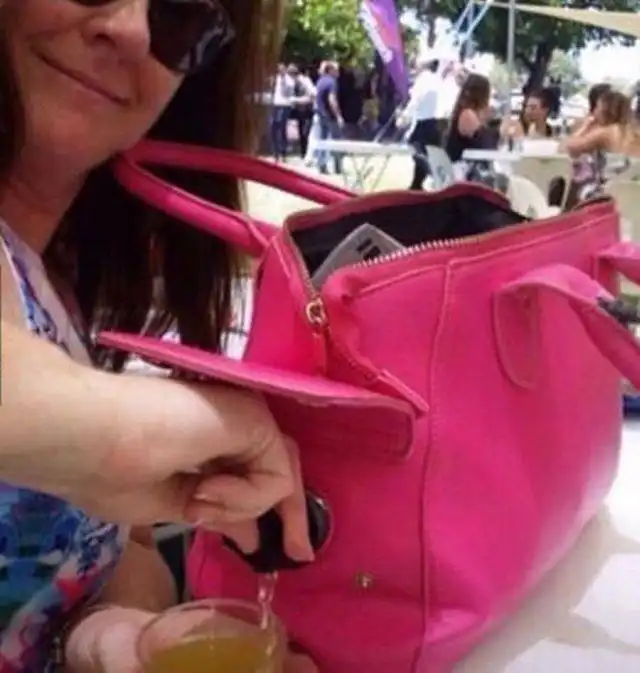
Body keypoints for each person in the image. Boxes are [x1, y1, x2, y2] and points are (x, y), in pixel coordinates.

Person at [0, 1, 315, 671]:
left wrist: (113, 638)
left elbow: (124, 551)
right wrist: (124, 435)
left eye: (181, 16)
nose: (131, 30)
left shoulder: (67, 287)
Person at [556, 89, 632, 208]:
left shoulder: (606, 133)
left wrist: (585, 126)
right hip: (627, 189)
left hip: (607, 192)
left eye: (597, 107)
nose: (594, 111)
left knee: (575, 183)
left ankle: (567, 215)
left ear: (605, 110)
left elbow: (566, 148)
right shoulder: (629, 131)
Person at [398, 56, 441, 190]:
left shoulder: (423, 81)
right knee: (424, 154)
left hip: (423, 124)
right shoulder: (436, 80)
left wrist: (403, 119)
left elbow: (415, 102)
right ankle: (417, 185)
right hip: (434, 123)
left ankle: (427, 178)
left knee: (416, 150)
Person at [444, 73, 494, 178]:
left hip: (463, 170)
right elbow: (483, 144)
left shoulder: (464, 112)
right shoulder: (467, 115)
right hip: (463, 173)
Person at [315, 60, 344, 175]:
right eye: (336, 70)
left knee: (322, 140)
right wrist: (338, 116)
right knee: (336, 141)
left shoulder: (320, 81)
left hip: (321, 114)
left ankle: (321, 165)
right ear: (330, 70)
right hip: (330, 116)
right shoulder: (332, 82)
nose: (338, 72)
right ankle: (337, 167)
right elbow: (332, 99)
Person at [289, 64, 316, 159]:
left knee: (306, 133)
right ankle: (303, 153)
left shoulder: (305, 82)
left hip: (308, 111)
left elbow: (311, 97)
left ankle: (307, 153)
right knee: (301, 133)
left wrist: (295, 100)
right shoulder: (296, 83)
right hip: (301, 111)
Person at [270, 63, 295, 162]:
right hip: (275, 105)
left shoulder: (289, 80)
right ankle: (275, 153)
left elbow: (287, 93)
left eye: (281, 70)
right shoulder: (276, 78)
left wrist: (283, 80)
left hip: (284, 105)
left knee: (282, 128)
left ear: (285, 70)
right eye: (278, 70)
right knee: (273, 128)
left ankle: (283, 152)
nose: (279, 72)